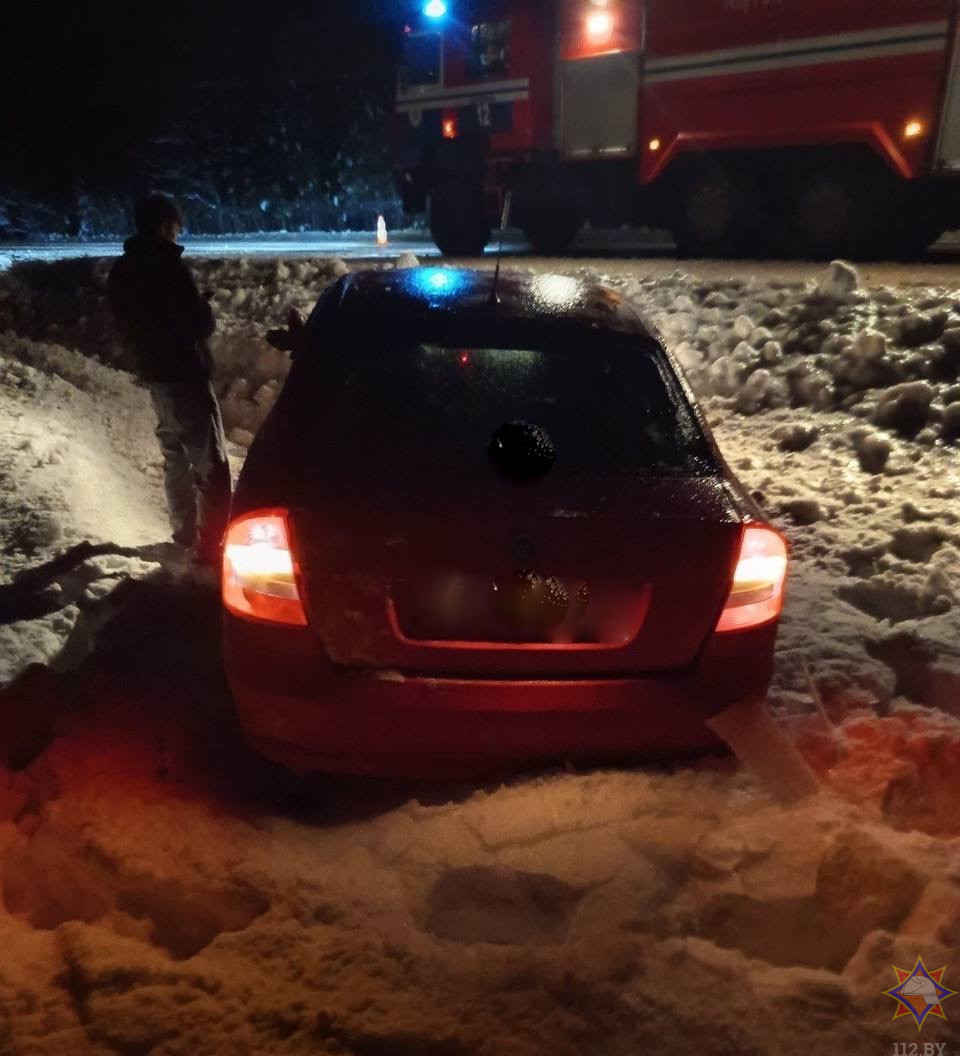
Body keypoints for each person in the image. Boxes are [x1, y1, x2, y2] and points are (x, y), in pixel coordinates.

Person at [108, 195, 231, 566]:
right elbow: (199, 323)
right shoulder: (169, 269)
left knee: (175, 457)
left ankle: (184, 535)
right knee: (212, 465)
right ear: (163, 227)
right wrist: (203, 307)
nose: (178, 234)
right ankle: (211, 549)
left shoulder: (123, 271)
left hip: (156, 376)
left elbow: (129, 320)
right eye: (176, 228)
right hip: (185, 374)